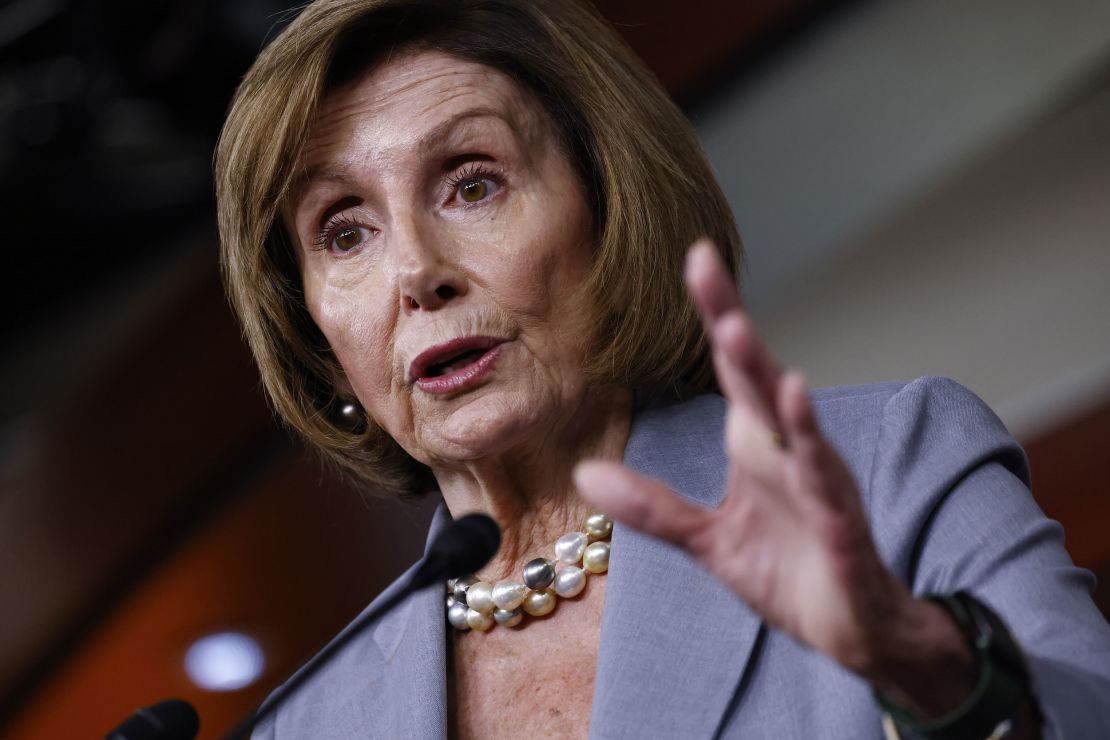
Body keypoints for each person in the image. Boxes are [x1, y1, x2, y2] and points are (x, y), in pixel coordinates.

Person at [214, 0, 1110, 737]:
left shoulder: (890, 467)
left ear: (611, 208)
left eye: (472, 181)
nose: (415, 270)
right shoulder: (309, 721)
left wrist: (936, 670)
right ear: (315, 334)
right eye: (344, 230)